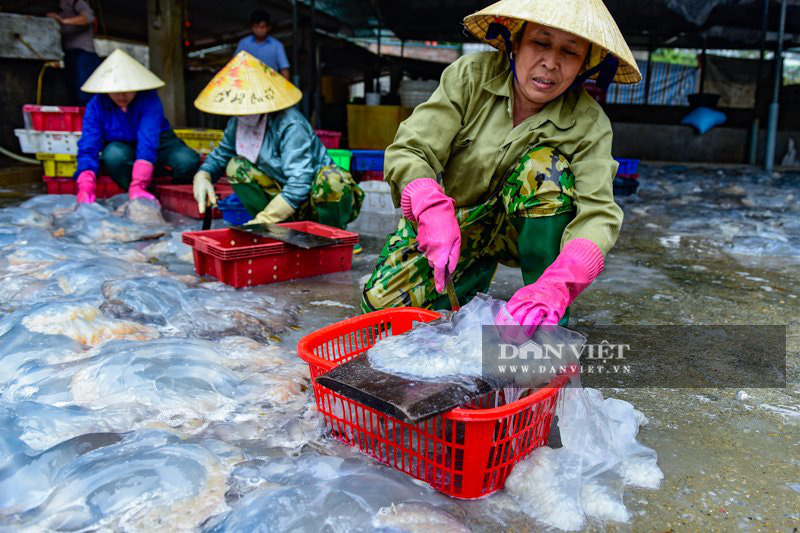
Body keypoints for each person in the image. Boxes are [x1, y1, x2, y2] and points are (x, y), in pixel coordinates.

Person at [361, 0, 641, 334]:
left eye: (570, 52)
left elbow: (598, 215)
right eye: (541, 42)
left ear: (584, 65)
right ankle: (469, 273)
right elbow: (410, 150)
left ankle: (543, 312)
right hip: (453, 222)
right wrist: (428, 202)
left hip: (519, 233)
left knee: (542, 168)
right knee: (379, 313)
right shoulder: (470, 77)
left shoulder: (589, 122)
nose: (551, 63)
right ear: (516, 41)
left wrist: (559, 285)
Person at [192, 51, 363, 233]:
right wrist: (203, 175)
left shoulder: (290, 123)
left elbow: (300, 182)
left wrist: (265, 219)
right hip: (280, 197)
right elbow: (221, 155)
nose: (241, 113)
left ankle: (334, 234)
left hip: (314, 199)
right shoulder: (238, 122)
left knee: (333, 179)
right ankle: (278, 229)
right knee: (236, 167)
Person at [74, 49, 201, 203]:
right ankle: (131, 192)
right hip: (122, 148)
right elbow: (89, 145)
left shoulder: (149, 99)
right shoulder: (96, 106)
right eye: (115, 92)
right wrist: (85, 184)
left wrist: (140, 182)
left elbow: (148, 139)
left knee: (187, 161)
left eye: (127, 91)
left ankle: (167, 193)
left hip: (158, 143)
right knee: (113, 156)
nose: (122, 96)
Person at [47, 0, 101, 106]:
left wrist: (63, 21)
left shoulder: (77, 2)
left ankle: (89, 120)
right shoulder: (58, 7)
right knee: (72, 95)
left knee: (85, 95)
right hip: (69, 54)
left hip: (84, 53)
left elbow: (88, 18)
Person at [234, 10, 290, 80]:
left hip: (271, 84)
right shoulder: (244, 43)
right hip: (247, 83)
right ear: (251, 27)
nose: (259, 30)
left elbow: (284, 69)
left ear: (268, 27)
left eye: (262, 27)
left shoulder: (277, 45)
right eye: (256, 27)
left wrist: (286, 88)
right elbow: (234, 65)